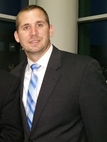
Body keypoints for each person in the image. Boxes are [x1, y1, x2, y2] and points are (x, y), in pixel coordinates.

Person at [11, 5, 107, 142]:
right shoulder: (13, 77)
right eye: (26, 27)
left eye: (39, 25)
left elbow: (100, 132)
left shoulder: (83, 69)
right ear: (17, 36)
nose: (33, 33)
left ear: (50, 30)